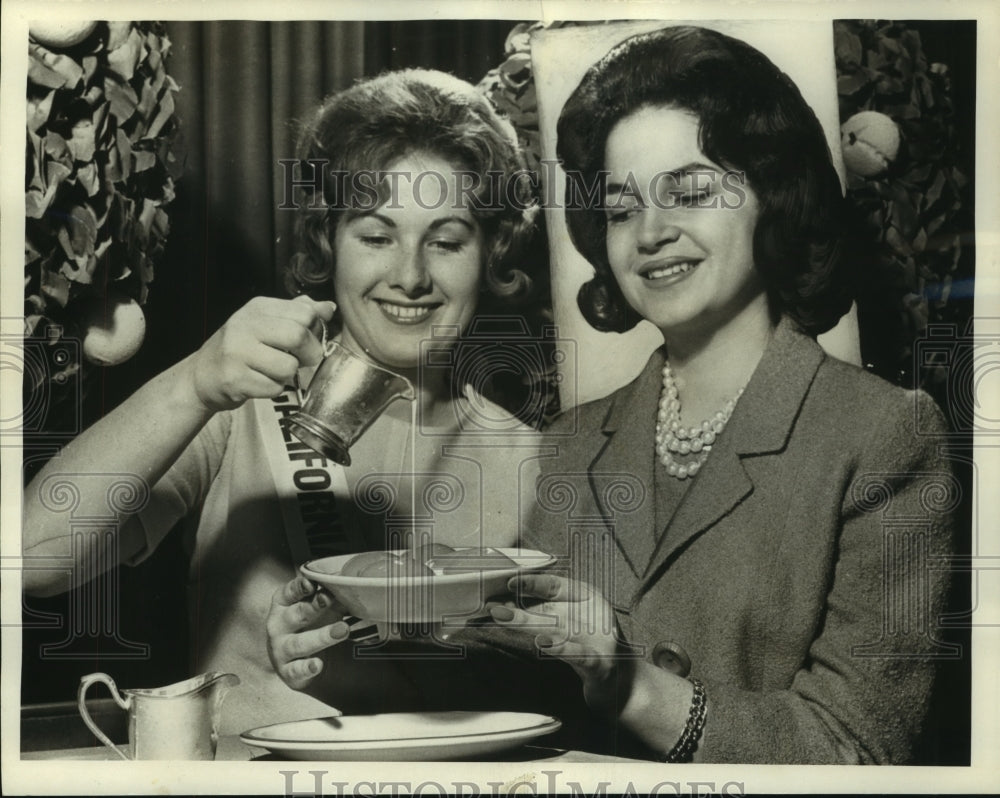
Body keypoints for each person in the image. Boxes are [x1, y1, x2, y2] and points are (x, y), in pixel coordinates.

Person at [482, 25, 957, 764]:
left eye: (691, 191)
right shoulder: (570, 443)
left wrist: (634, 686)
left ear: (773, 194)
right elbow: (516, 710)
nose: (651, 233)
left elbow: (860, 751)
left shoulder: (887, 437)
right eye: (620, 208)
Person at [22, 69, 546, 734]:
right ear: (328, 240)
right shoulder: (243, 407)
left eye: (446, 241)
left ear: (492, 252)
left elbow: (549, 688)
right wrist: (194, 383)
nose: (411, 276)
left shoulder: (536, 458)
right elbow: (30, 559)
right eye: (376, 235)